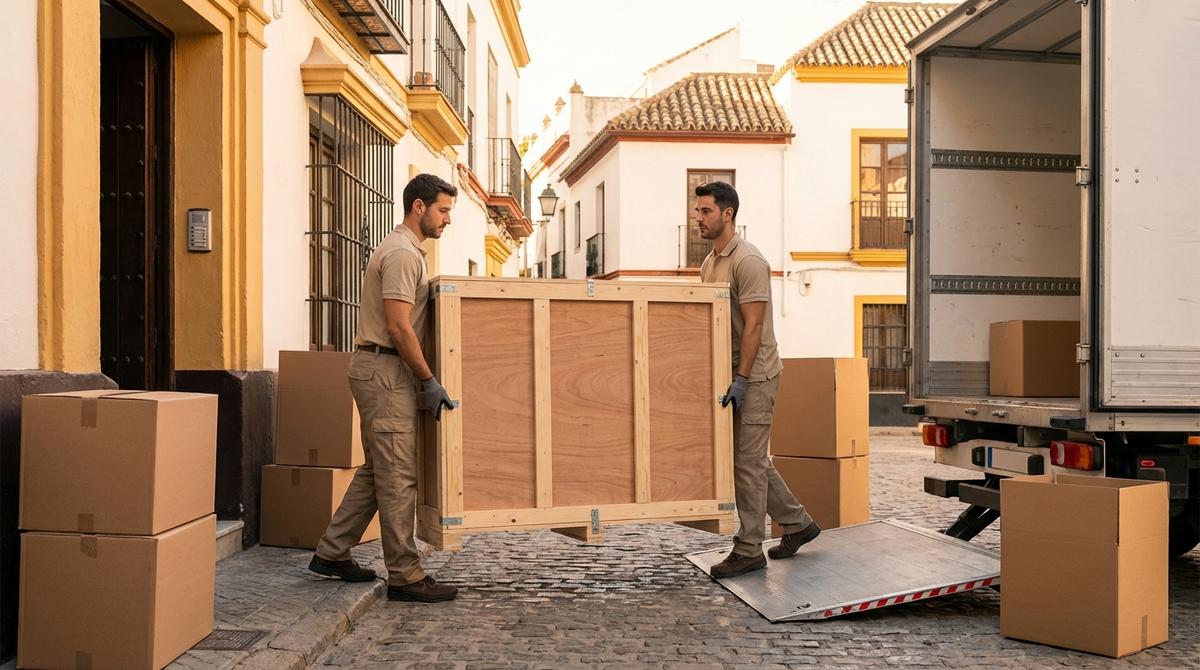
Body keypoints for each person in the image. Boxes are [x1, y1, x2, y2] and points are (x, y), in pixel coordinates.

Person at [307, 173, 460, 602]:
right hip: (385, 370)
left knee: (378, 470)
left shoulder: (404, 250)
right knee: (397, 475)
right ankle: (405, 575)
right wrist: (429, 380)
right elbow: (398, 326)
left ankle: (332, 552)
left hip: (382, 368)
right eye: (443, 210)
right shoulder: (402, 254)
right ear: (419, 207)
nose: (447, 219)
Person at [695, 181, 821, 578]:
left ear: (727, 213)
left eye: (706, 211)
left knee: (747, 463)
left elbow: (753, 325)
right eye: (697, 211)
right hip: (730, 375)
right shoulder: (710, 263)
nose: (698, 218)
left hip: (757, 375)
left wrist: (742, 379)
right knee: (749, 461)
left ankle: (749, 549)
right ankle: (798, 524)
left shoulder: (748, 261)